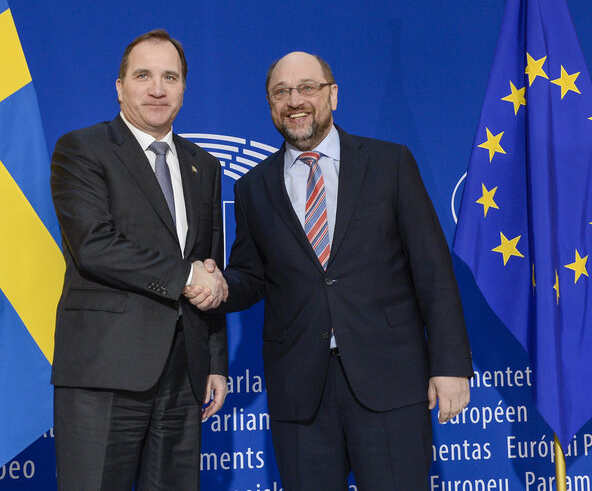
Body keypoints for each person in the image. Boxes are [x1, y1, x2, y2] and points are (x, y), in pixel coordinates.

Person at [187, 51, 473, 490]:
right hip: (301, 392)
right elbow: (252, 275)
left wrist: (450, 364)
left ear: (333, 95)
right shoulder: (252, 188)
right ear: (269, 104)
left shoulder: (390, 164)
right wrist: (221, 283)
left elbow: (433, 270)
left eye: (307, 88)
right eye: (280, 92)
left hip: (389, 382)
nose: (293, 100)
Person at [50, 29, 229, 491]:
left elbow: (209, 266)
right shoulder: (82, 149)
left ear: (184, 90)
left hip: (184, 376)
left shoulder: (203, 165)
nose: (157, 88)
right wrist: (185, 275)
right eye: (144, 75)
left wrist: (214, 361)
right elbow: (94, 245)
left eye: (170, 77)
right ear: (120, 86)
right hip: (105, 372)